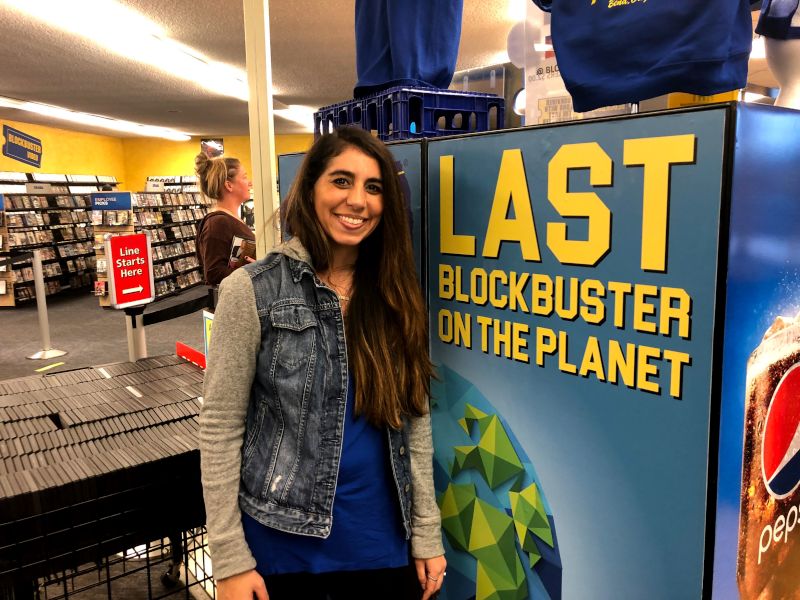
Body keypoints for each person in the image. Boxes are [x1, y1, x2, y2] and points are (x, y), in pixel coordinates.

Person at [200, 126, 446, 600]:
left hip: (381, 544)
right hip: (282, 548)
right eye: (341, 181)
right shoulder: (251, 290)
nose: (358, 200)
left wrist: (426, 532)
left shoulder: (394, 293)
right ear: (311, 186)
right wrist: (228, 555)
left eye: (373, 187)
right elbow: (220, 426)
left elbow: (414, 417)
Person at [194, 153, 255, 285]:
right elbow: (214, 274)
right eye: (244, 177)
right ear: (229, 185)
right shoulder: (217, 223)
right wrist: (254, 270)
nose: (249, 182)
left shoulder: (230, 219)